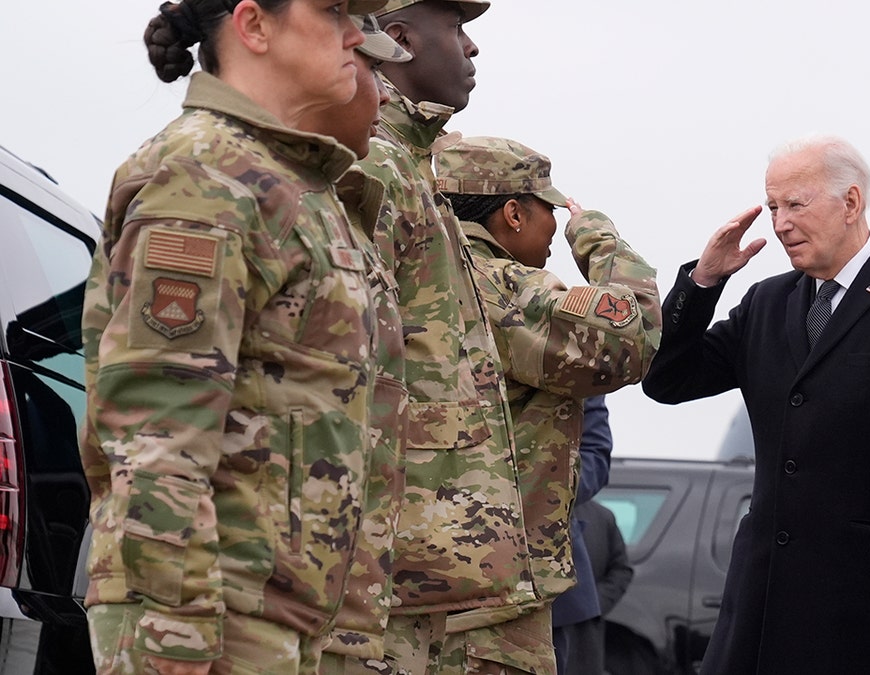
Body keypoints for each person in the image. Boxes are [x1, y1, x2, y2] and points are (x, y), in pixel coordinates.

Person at [81, 0, 388, 673]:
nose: (355, 35)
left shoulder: (294, 184)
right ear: (254, 26)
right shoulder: (206, 175)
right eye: (335, 11)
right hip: (209, 619)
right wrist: (173, 640)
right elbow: (157, 437)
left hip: (274, 615)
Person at [642, 135, 870, 674]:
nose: (779, 223)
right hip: (762, 601)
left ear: (850, 203)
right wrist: (704, 282)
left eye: (795, 204)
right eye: (773, 206)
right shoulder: (767, 302)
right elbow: (668, 381)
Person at [355, 2, 537, 673]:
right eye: (457, 30)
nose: (472, 48)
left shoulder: (410, 164)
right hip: (380, 571)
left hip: (420, 566)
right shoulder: (375, 164)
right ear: (397, 39)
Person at [435, 136, 660, 672]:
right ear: (512, 212)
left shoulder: (412, 273)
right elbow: (633, 339)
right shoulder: (503, 288)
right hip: (489, 579)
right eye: (549, 211)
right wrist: (598, 238)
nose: (556, 229)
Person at [294, 15, 413, 672]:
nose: (386, 96)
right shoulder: (223, 190)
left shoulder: (340, 209)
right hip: (266, 614)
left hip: (340, 607)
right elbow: (163, 446)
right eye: (369, 68)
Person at [551, 397, 621, 674]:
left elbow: (595, 453)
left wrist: (539, 492)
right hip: (436, 571)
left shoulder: (574, 360)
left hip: (556, 597)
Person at [562, 498, 633, 675]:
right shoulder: (532, 510)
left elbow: (621, 569)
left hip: (584, 639)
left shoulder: (602, 516)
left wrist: (593, 603)